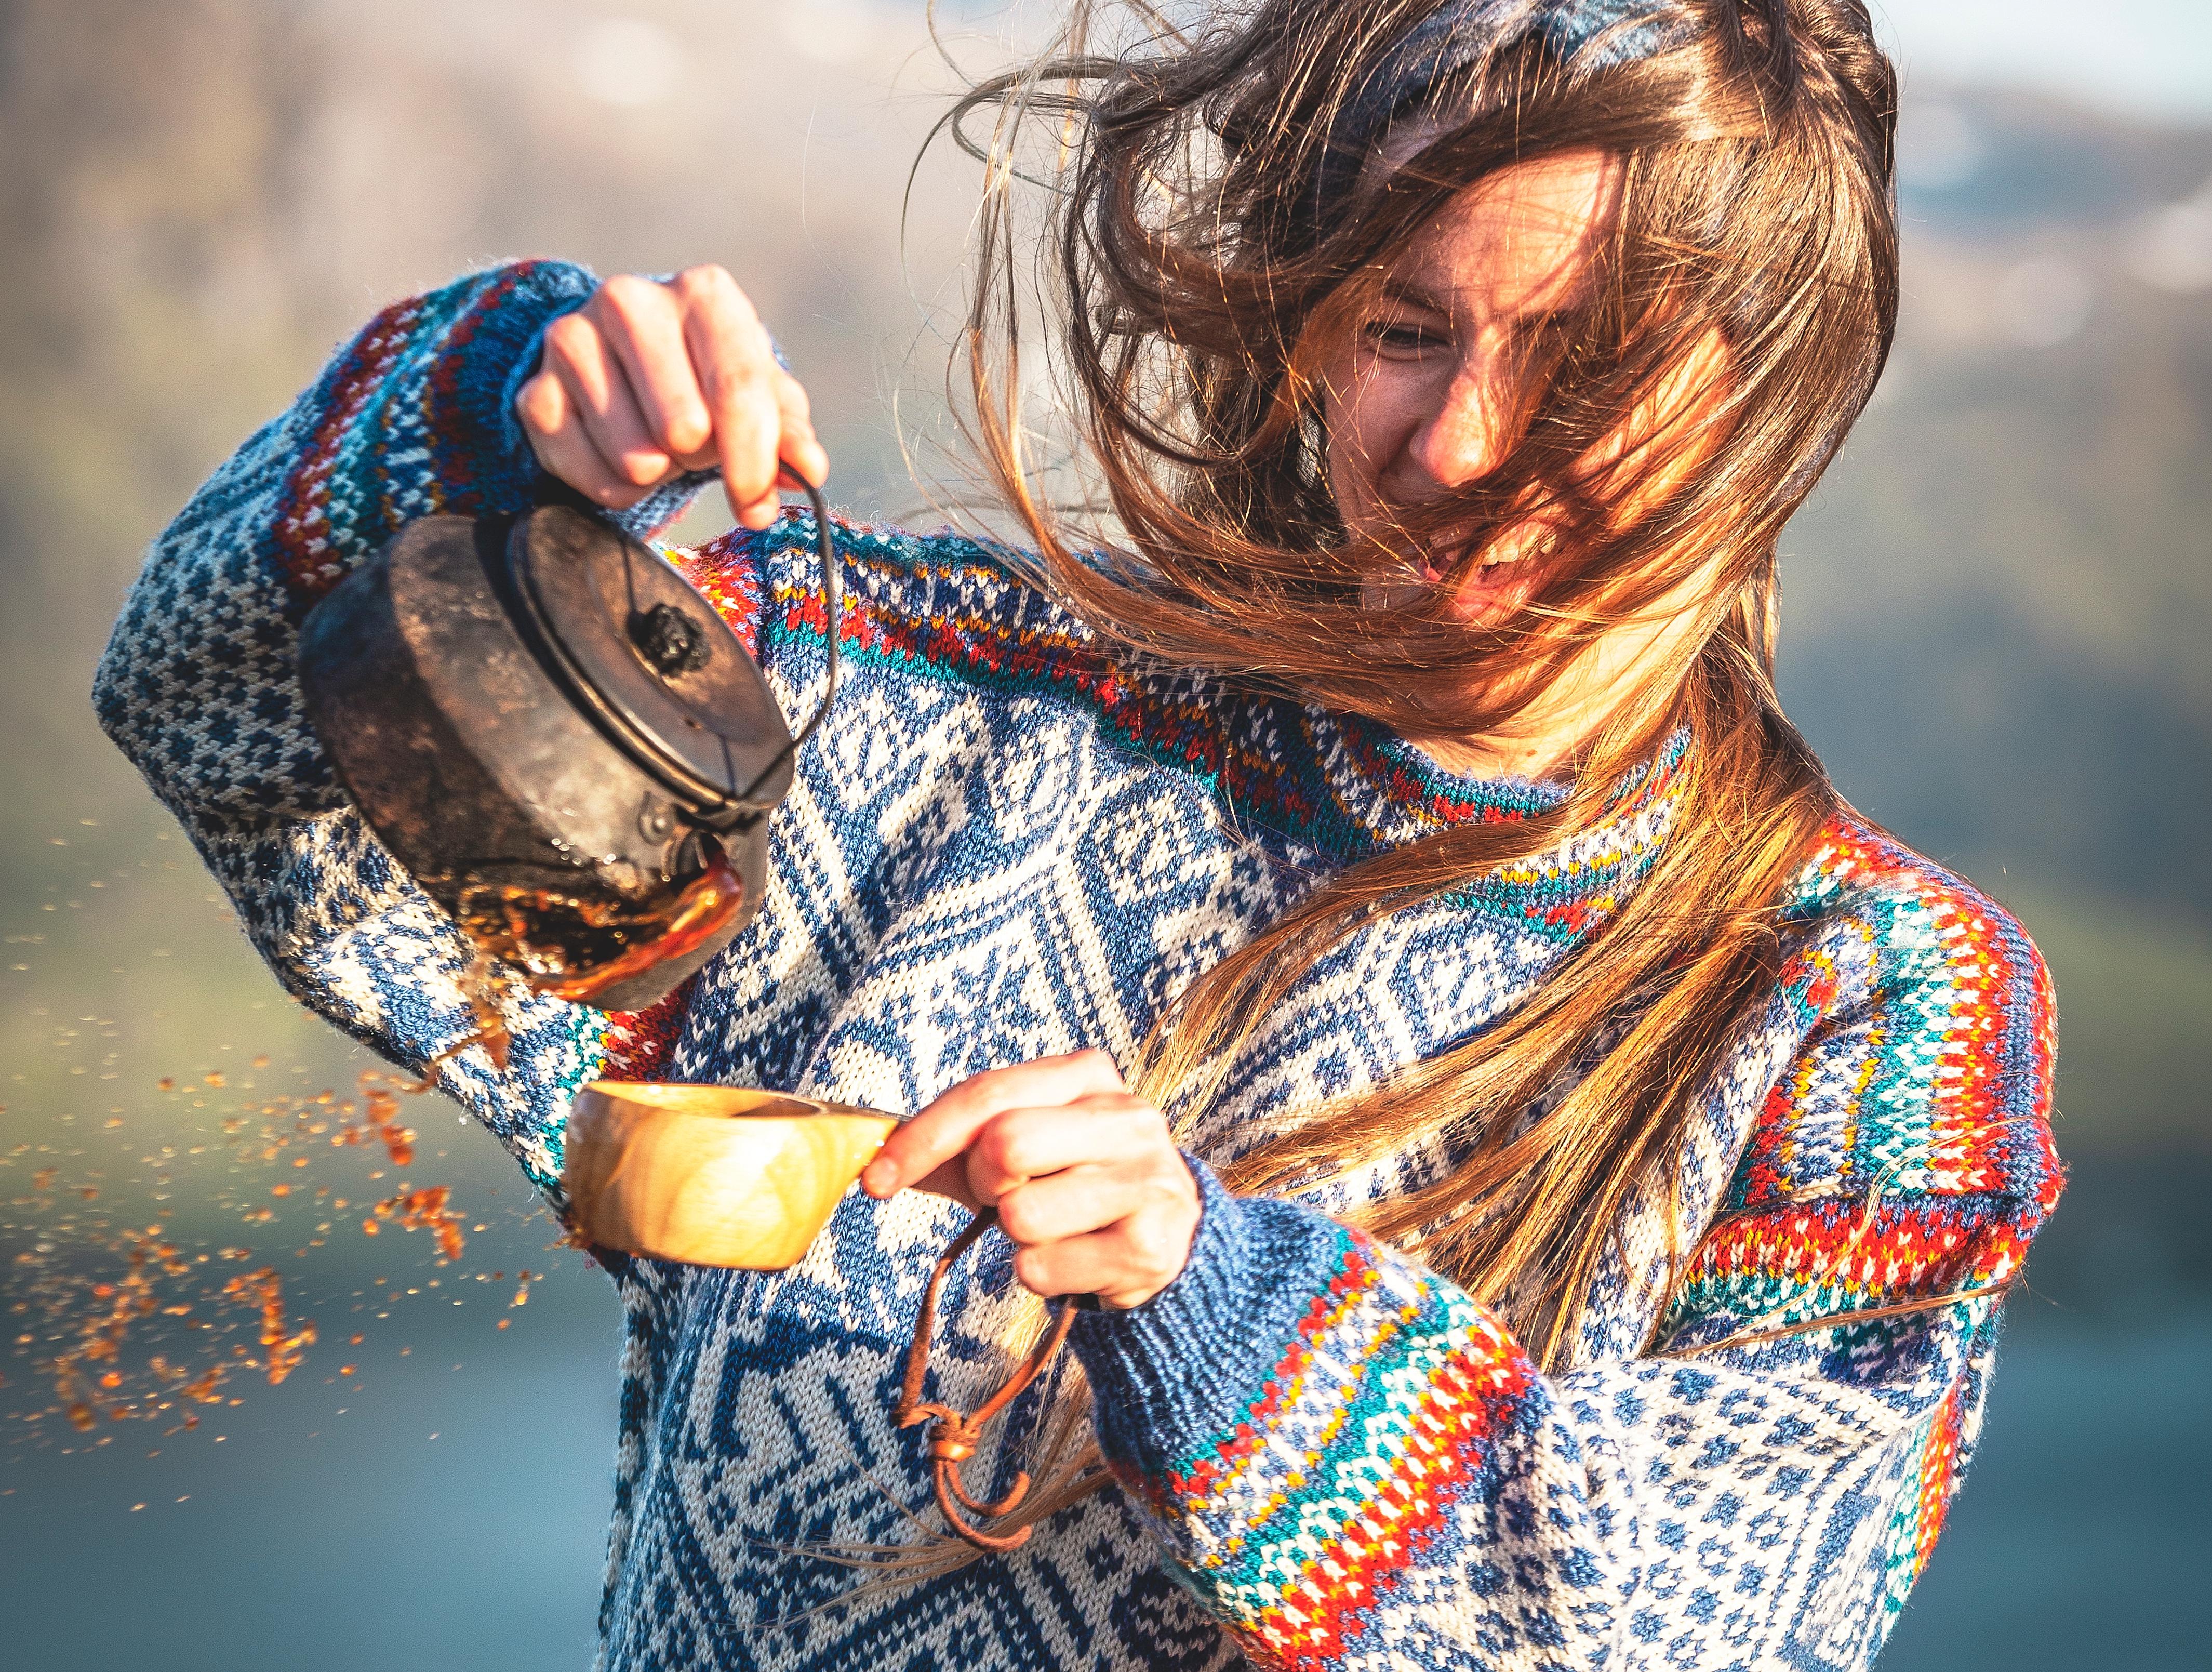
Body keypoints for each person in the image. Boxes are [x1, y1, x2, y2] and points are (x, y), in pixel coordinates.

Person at [95, 0, 2060, 1667]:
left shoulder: (1866, 999)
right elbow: (231, 714)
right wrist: (487, 443)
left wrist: (1218, 1302)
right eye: (1406, 327)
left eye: (1589, 356)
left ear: (1774, 400)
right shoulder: (922, 696)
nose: (1462, 441)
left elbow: (1724, 1615)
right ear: (1305, 330)